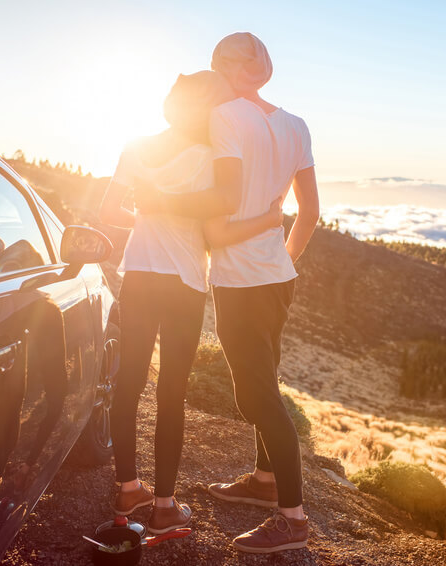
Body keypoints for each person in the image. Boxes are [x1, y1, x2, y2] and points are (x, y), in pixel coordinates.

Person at [136, 32, 320, 553]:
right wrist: (282, 256)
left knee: (254, 394)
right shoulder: (296, 124)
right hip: (279, 276)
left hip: (240, 279)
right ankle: (264, 481)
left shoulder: (225, 117)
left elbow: (221, 213)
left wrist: (168, 205)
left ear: (221, 68)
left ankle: (292, 518)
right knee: (268, 376)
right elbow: (310, 212)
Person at [99, 70, 284, 535]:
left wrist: (147, 217)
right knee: (171, 393)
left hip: (139, 273)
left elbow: (107, 211)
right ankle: (164, 508)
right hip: (183, 282)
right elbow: (220, 211)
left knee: (128, 384)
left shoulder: (136, 146)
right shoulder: (210, 155)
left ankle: (127, 487)